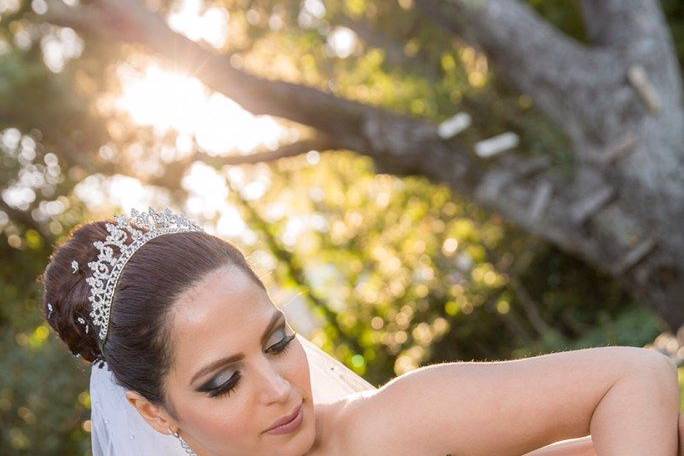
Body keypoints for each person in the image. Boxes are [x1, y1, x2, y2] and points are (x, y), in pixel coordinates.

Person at [40, 207, 683, 455]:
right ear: (153, 412)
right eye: (225, 380)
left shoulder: (391, 429)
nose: (281, 389)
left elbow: (637, 374)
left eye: (277, 342)